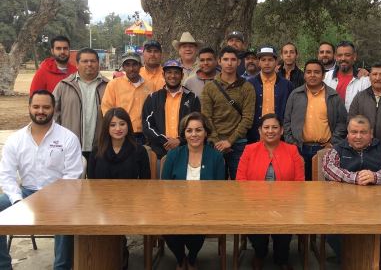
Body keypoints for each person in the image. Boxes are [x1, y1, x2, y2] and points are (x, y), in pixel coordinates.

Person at [0, 90, 83, 270]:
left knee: (66, 214)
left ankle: (61, 267)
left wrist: (56, 199)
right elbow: (6, 175)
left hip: (59, 195)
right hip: (25, 194)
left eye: (46, 107)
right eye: (36, 106)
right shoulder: (16, 140)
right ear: (29, 107)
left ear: (54, 109)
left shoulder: (67, 138)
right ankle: (3, 266)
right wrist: (17, 200)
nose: (41, 111)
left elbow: (73, 175)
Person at [322, 115, 381, 267]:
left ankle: (373, 259)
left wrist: (376, 176)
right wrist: (354, 177)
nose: (358, 136)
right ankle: (352, 259)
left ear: (371, 133)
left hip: (380, 209)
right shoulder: (338, 149)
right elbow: (328, 168)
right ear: (348, 133)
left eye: (363, 132)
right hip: (344, 208)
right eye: (354, 132)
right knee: (331, 232)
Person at [236, 113, 304, 270]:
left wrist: (286, 202)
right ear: (260, 130)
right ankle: (260, 253)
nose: (270, 131)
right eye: (266, 127)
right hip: (255, 203)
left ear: (281, 131)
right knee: (257, 229)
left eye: (274, 127)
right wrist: (255, 202)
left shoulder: (292, 150)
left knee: (284, 229)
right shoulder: (249, 150)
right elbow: (240, 181)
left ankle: (282, 258)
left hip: (286, 204)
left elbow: (300, 183)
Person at [87, 107, 150, 269]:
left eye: (122, 124)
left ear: (128, 126)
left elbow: (146, 183)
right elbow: (91, 183)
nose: (118, 129)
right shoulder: (96, 151)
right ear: (106, 128)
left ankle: (119, 255)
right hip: (102, 205)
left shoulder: (139, 151)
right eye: (113, 125)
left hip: (130, 204)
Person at [161, 112, 225, 270]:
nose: (194, 134)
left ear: (206, 132)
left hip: (205, 209)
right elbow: (163, 189)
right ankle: (181, 258)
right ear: (184, 133)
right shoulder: (173, 155)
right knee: (166, 228)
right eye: (189, 131)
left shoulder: (216, 157)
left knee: (197, 227)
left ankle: (192, 258)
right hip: (176, 208)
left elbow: (219, 190)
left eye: (198, 130)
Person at [284, 59, 347, 180]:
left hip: (325, 149)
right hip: (299, 149)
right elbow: (287, 121)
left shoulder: (333, 96)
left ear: (323, 75)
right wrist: (292, 144)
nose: (312, 75)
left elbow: (342, 122)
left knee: (323, 188)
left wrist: (333, 143)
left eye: (316, 72)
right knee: (301, 186)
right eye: (308, 72)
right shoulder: (295, 95)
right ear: (304, 75)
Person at [200, 46, 255, 179]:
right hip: (214, 143)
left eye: (233, 60)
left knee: (240, 185)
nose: (229, 63)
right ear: (219, 61)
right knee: (214, 186)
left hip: (239, 143)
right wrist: (216, 141)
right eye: (225, 59)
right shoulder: (209, 87)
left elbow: (248, 118)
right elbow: (206, 117)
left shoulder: (247, 87)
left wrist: (230, 141)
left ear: (239, 62)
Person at [53, 48, 109, 161]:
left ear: (98, 63)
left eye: (93, 61)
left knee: (98, 179)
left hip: (101, 148)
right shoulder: (64, 86)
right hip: (70, 147)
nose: (89, 64)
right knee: (74, 179)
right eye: (85, 61)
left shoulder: (109, 86)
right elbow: (53, 115)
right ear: (77, 64)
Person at [143, 59, 201, 160]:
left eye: (176, 73)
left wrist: (180, 140)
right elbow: (147, 125)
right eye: (169, 72)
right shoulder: (153, 98)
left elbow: (197, 124)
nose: (173, 76)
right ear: (163, 75)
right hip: (159, 152)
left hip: (186, 151)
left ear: (182, 76)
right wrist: (164, 141)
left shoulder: (192, 98)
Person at [101, 52, 152, 145]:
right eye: (127, 65)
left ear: (140, 66)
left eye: (134, 64)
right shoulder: (113, 85)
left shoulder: (150, 86)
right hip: (121, 134)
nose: (131, 69)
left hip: (145, 136)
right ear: (123, 67)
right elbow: (107, 109)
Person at [247, 46, 293, 143]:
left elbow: (290, 112)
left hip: (280, 137)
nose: (267, 63)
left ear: (276, 62)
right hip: (255, 136)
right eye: (263, 60)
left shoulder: (287, 85)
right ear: (259, 63)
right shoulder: (250, 84)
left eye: (270, 60)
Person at [323, 41, 371, 111]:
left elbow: (368, 108)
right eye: (340, 55)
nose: (343, 58)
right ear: (336, 57)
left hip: (354, 121)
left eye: (347, 55)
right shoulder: (325, 78)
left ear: (354, 57)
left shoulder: (365, 80)